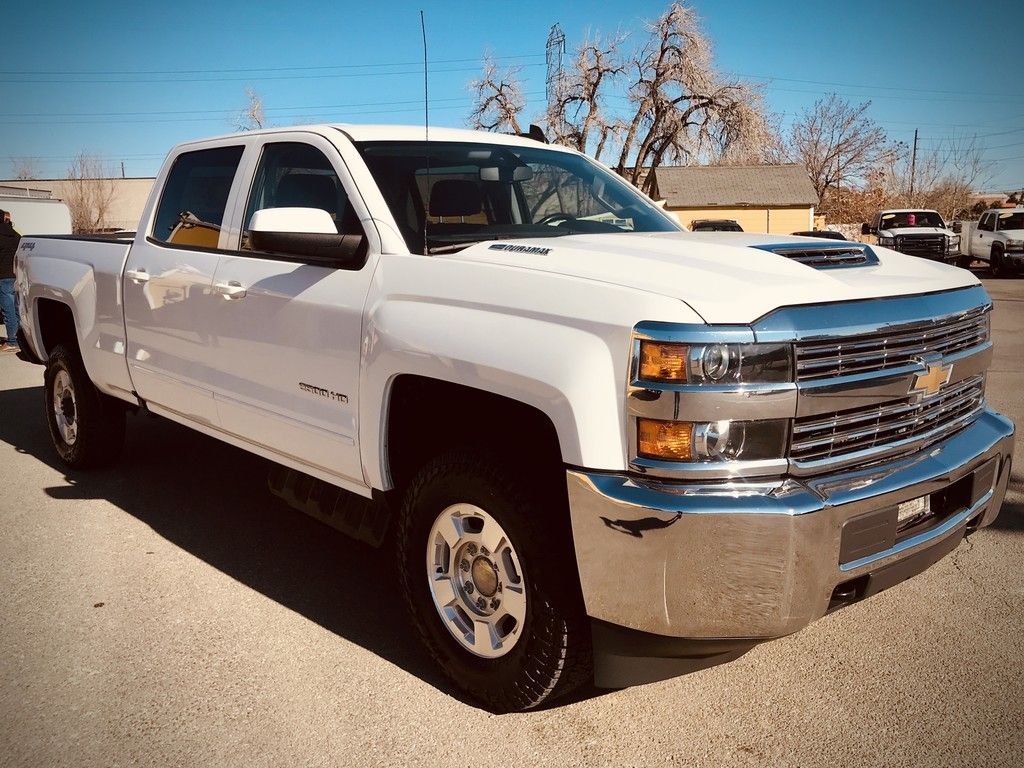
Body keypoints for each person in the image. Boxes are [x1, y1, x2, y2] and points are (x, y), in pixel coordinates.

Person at [0, 208, 22, 352]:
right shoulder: (17, 236)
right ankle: (20, 339)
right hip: (15, 276)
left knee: (7, 310)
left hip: (2, 277)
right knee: (15, 309)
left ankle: (12, 341)